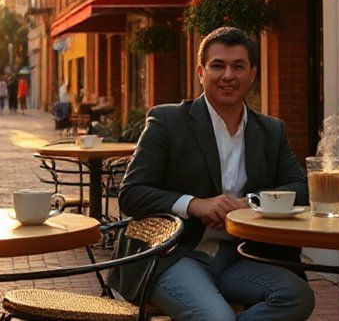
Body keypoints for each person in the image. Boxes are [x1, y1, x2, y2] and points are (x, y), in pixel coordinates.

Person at [113, 26, 314, 321]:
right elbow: (131, 193)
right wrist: (195, 204)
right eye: (217, 66)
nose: (228, 75)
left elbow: (299, 187)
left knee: (297, 297)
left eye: (238, 66)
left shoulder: (271, 130)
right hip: (175, 253)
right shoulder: (168, 120)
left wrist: (250, 203)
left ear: (253, 73)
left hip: (241, 255)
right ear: (201, 72)